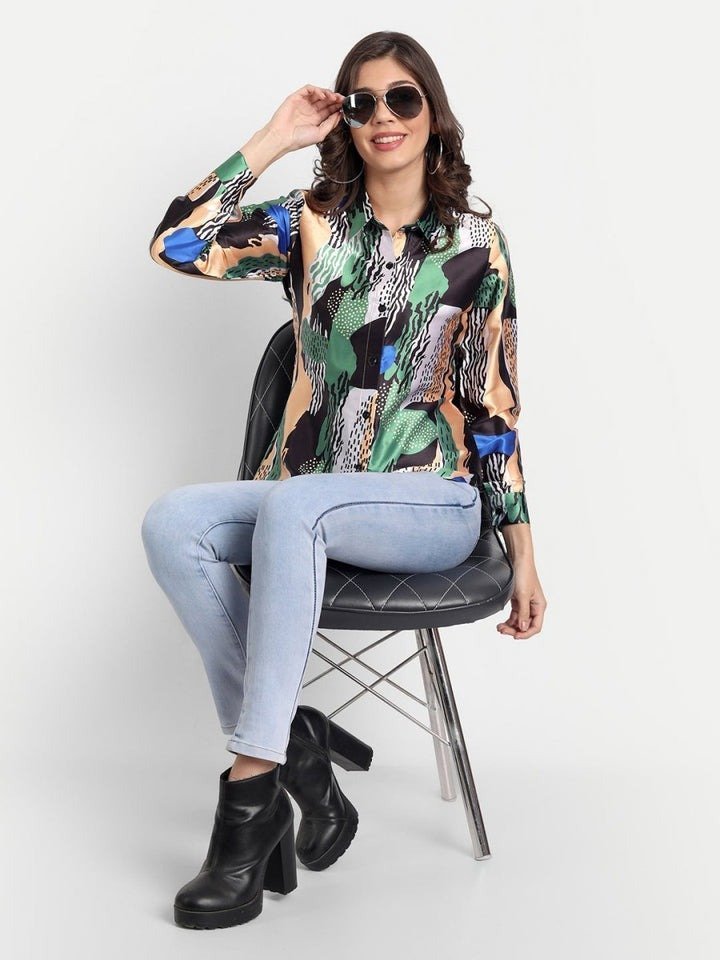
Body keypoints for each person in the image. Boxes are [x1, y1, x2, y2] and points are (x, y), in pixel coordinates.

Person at [141, 30, 547, 929]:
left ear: (433, 113)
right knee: (173, 522)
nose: (383, 116)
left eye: (404, 98)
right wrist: (274, 137)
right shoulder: (309, 224)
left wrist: (522, 552)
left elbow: (493, 407)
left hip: (430, 503)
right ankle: (299, 744)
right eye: (364, 102)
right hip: (309, 497)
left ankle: (248, 809)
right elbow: (175, 244)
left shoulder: (477, 245)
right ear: (347, 120)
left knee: (298, 506)